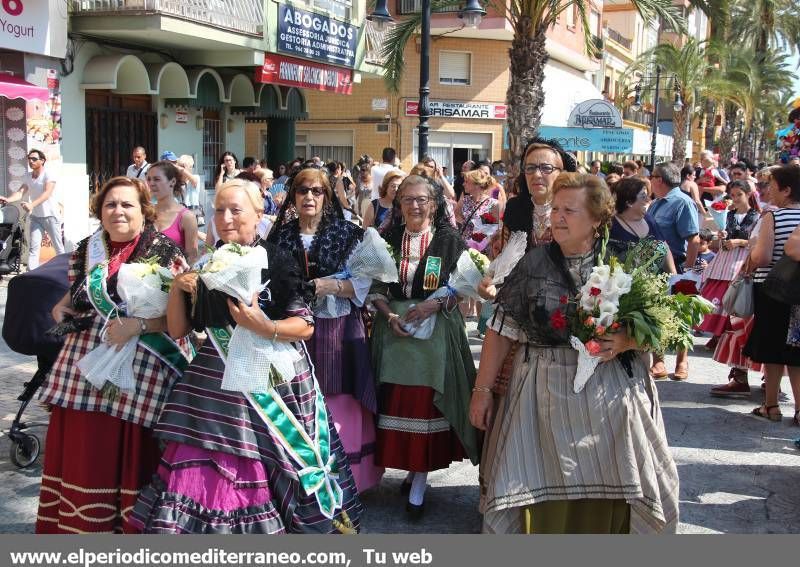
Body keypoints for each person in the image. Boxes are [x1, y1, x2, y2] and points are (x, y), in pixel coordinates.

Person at [131, 179, 363, 533]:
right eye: (218, 210)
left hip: (271, 381)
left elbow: (304, 327)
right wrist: (179, 287)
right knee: (203, 467)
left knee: (266, 464)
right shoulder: (207, 263)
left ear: (259, 215)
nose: (225, 218)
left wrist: (261, 324)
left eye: (235, 210)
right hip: (214, 388)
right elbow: (179, 330)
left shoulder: (278, 259)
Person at [471, 173, 679, 534]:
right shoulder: (533, 264)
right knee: (536, 483)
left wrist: (629, 341)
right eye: (555, 208)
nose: (558, 217)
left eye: (570, 209)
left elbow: (663, 325)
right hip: (541, 395)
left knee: (617, 479)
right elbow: (501, 331)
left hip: (610, 395)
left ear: (597, 219)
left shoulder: (626, 262)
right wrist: (482, 391)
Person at [36, 177, 190, 533]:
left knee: (130, 455)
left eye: (126, 205)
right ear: (99, 212)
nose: (118, 211)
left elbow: (184, 320)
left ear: (144, 211)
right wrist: (59, 311)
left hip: (143, 367)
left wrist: (138, 326)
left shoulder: (166, 252)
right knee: (84, 451)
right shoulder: (87, 249)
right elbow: (70, 298)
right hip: (84, 368)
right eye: (110, 205)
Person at [369, 175, 480, 520]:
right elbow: (375, 285)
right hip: (395, 332)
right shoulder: (387, 239)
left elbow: (463, 285)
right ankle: (407, 471)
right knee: (396, 399)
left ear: (434, 204)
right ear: (398, 204)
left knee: (424, 402)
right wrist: (389, 316)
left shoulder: (449, 241)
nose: (414, 206)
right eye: (407, 200)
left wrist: (429, 306)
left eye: (421, 200)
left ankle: (419, 478)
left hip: (434, 332)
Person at [268, 168, 383, 492]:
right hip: (292, 327)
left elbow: (364, 284)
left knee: (340, 397)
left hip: (339, 324)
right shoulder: (281, 235)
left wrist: (327, 285)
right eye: (302, 190)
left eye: (317, 191)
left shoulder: (349, 233)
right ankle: (302, 479)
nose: (309, 197)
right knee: (295, 397)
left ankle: (347, 480)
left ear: (327, 196)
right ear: (293, 196)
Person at [742, 165, 800, 424]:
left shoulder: (773, 217)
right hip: (798, 295)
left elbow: (763, 257)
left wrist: (752, 253)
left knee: (772, 350)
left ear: (787, 190)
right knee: (796, 352)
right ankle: (799, 410)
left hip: (773, 290)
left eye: (773, 186)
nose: (768, 191)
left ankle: (772, 405)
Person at [648, 162, 700, 380]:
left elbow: (694, 239)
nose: (650, 180)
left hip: (677, 265)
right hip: (654, 267)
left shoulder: (682, 202)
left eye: (652, 176)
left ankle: (682, 362)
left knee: (680, 314)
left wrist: (686, 271)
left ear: (660, 179)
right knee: (655, 312)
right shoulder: (655, 203)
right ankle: (658, 362)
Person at [697, 180, 759, 351]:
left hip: (741, 260)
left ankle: (730, 336)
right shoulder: (728, 214)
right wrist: (722, 236)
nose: (736, 198)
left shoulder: (757, 216)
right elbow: (720, 242)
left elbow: (758, 242)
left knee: (734, 296)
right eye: (732, 195)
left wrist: (739, 241)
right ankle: (718, 334)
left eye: (739, 194)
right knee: (716, 294)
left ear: (748, 194)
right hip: (724, 260)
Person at [0, 149, 65, 270]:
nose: (31, 161)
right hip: (36, 217)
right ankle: (31, 275)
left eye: (34, 159)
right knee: (33, 248)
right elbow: (20, 193)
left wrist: (31, 205)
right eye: (29, 158)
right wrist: (8, 199)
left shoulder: (48, 174)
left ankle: (65, 272)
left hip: (51, 216)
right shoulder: (28, 176)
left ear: (42, 161)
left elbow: (47, 194)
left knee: (59, 247)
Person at [609, 176, 676, 274]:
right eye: (644, 196)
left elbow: (665, 247)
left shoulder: (649, 219)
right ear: (629, 202)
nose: (648, 199)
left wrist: (673, 276)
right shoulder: (612, 225)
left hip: (659, 285)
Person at [147, 161, 199, 264]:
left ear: (172, 182)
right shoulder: (146, 213)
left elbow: (192, 258)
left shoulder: (186, 217)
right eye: (149, 179)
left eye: (157, 179)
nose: (151, 183)